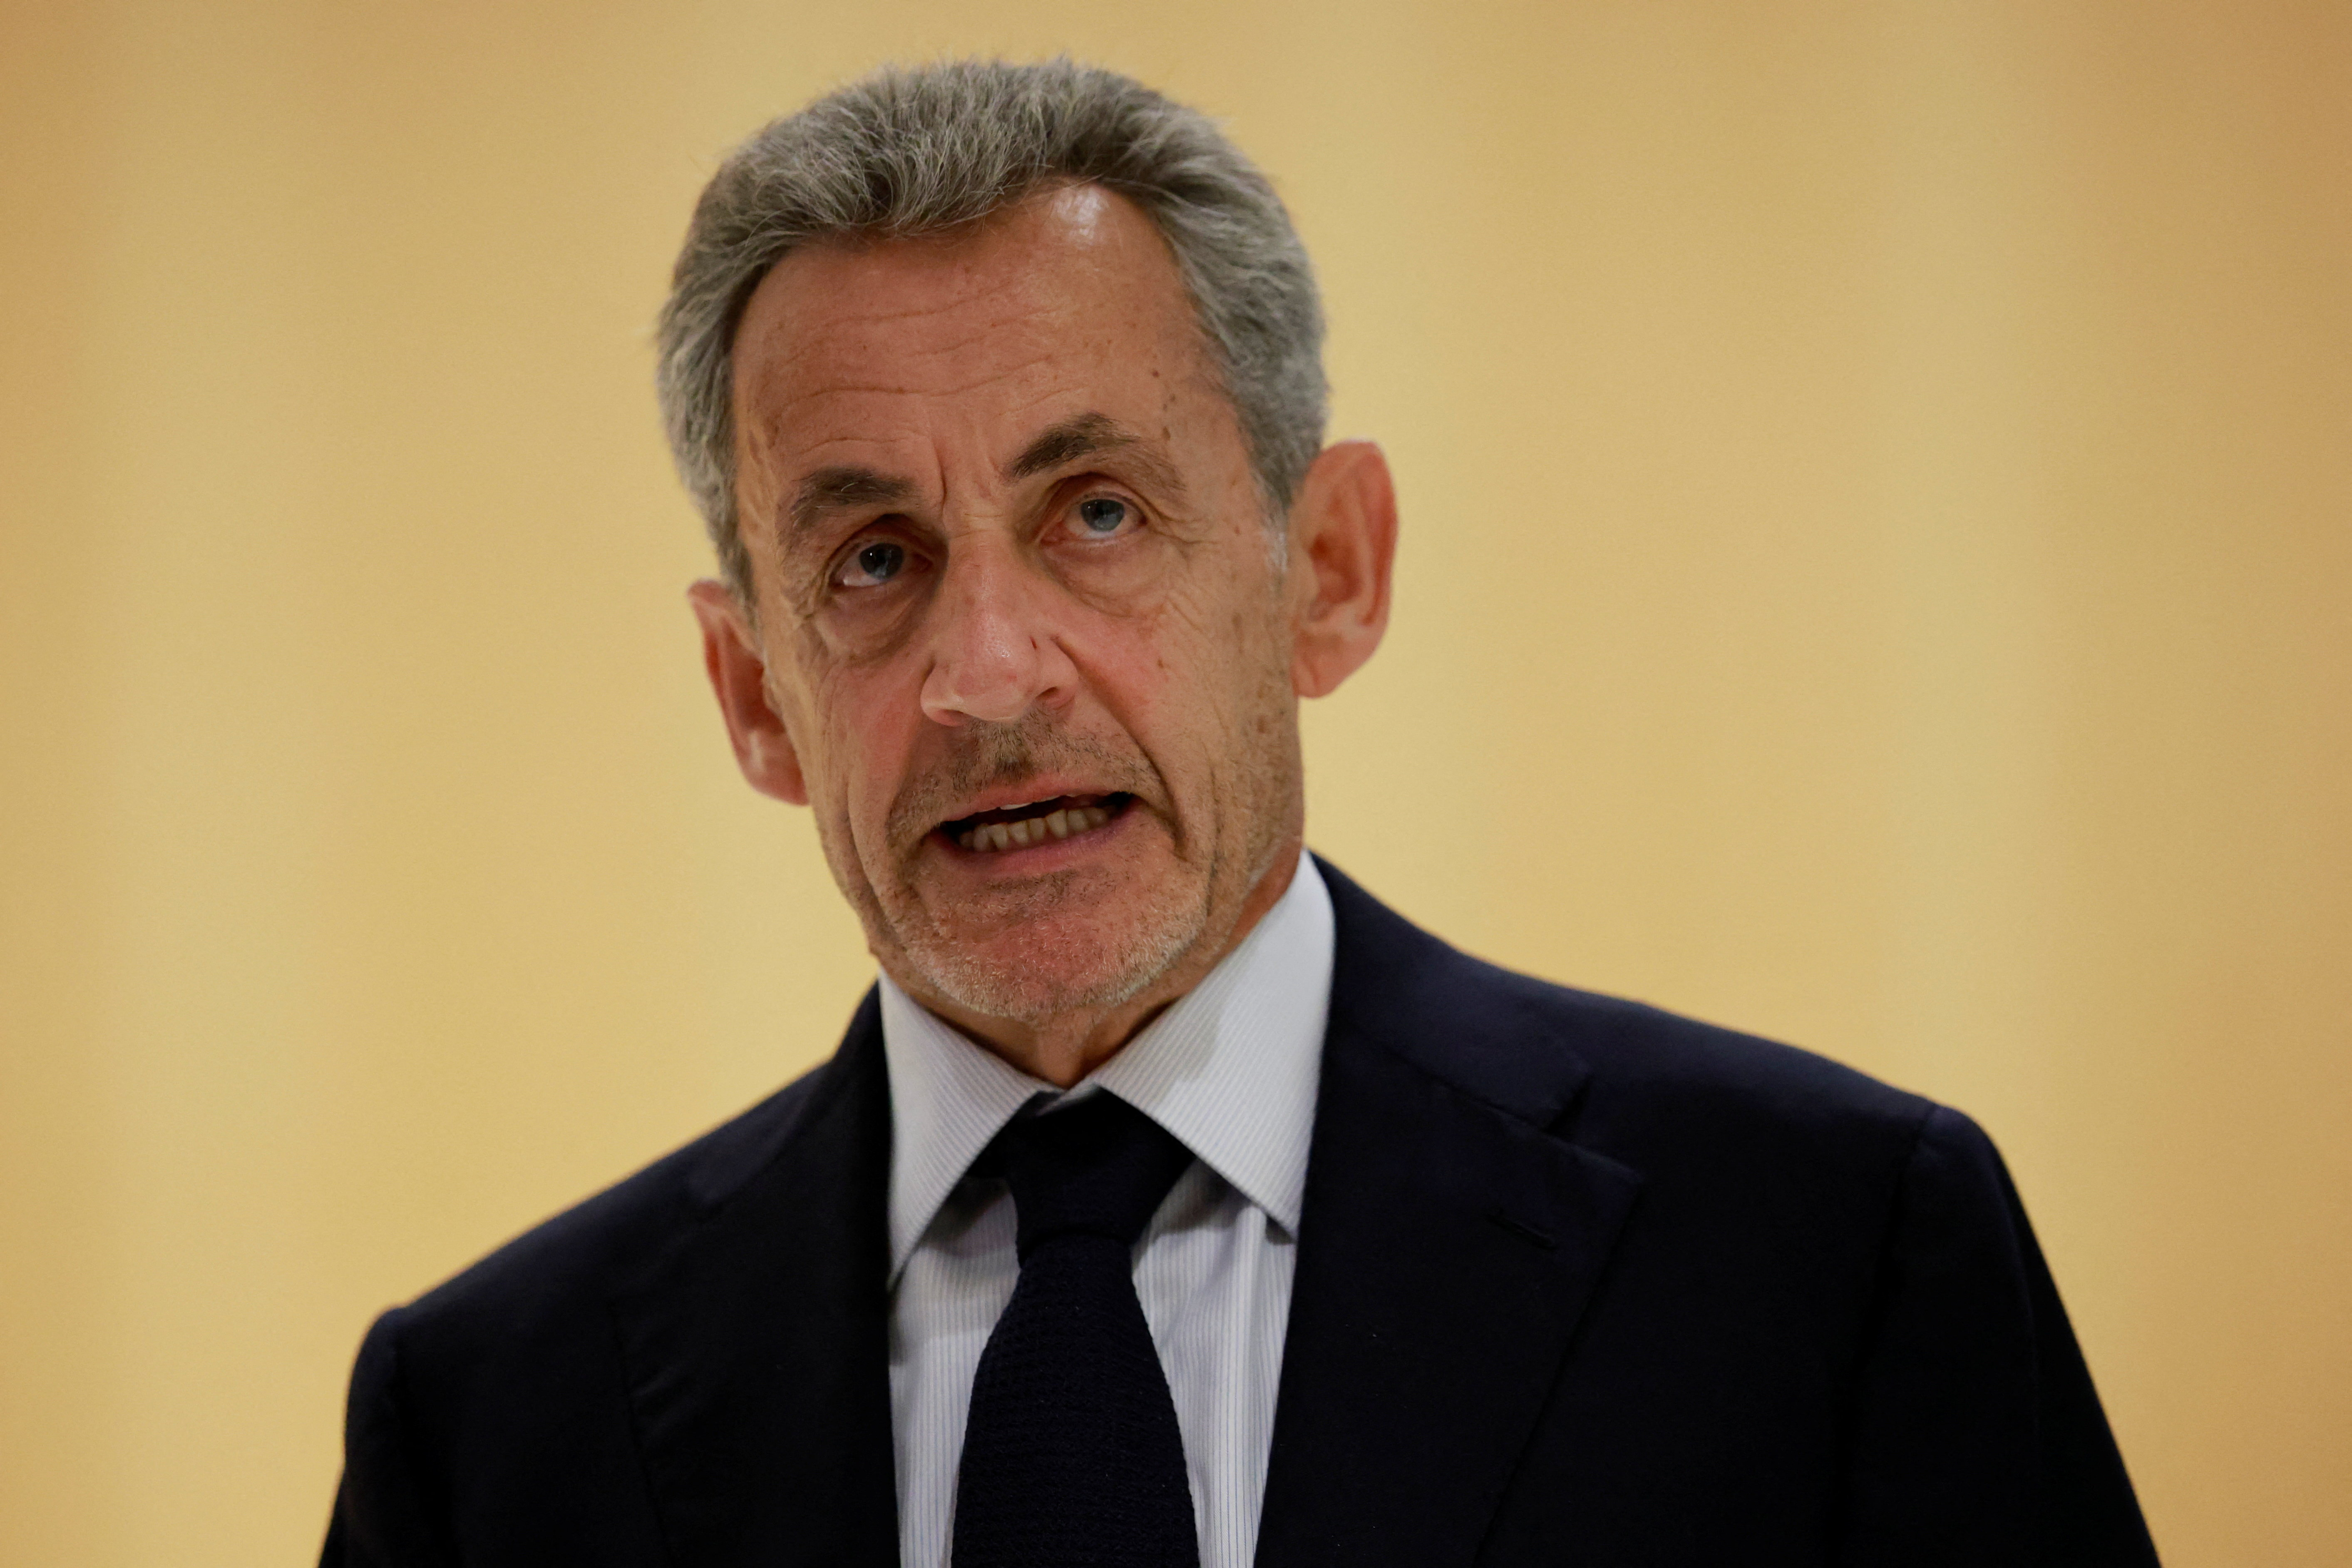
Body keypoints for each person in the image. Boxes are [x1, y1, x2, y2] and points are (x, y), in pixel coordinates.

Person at [321, 58, 2159, 1567]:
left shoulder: (1827, 1261)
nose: (991, 672)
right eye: (872, 558)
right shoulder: (491, 1426)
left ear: (1327, 573)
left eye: (1098, 513)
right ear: (753, 697)